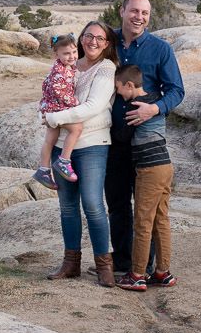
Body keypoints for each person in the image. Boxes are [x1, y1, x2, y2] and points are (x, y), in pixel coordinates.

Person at [107, 0, 185, 274]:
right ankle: (123, 260)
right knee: (117, 204)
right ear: (122, 11)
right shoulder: (107, 41)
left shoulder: (160, 49)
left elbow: (177, 91)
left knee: (146, 208)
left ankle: (146, 266)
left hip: (145, 145)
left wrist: (154, 109)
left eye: (145, 13)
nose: (139, 17)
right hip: (112, 139)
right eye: (134, 11)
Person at [41, 20, 119, 286]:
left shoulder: (106, 68)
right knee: (67, 207)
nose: (93, 42)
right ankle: (71, 263)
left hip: (93, 145)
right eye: (88, 36)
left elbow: (93, 105)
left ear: (107, 43)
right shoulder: (68, 66)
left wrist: (53, 118)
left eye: (99, 38)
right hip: (62, 145)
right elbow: (51, 93)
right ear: (80, 39)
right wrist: (51, 115)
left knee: (94, 205)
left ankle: (104, 265)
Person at [112, 64, 176, 292]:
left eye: (119, 88)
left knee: (142, 222)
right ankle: (163, 272)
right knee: (161, 220)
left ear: (129, 85)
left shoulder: (136, 108)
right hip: (165, 166)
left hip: (149, 169)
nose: (118, 93)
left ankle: (137, 274)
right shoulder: (155, 99)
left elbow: (122, 136)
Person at [32, 33, 81, 189]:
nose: (71, 56)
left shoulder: (62, 67)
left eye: (74, 52)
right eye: (66, 53)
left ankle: (43, 169)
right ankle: (64, 161)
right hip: (56, 107)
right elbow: (58, 91)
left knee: (50, 139)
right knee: (76, 129)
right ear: (56, 54)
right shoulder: (61, 72)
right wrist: (76, 102)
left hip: (50, 106)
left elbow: (45, 85)